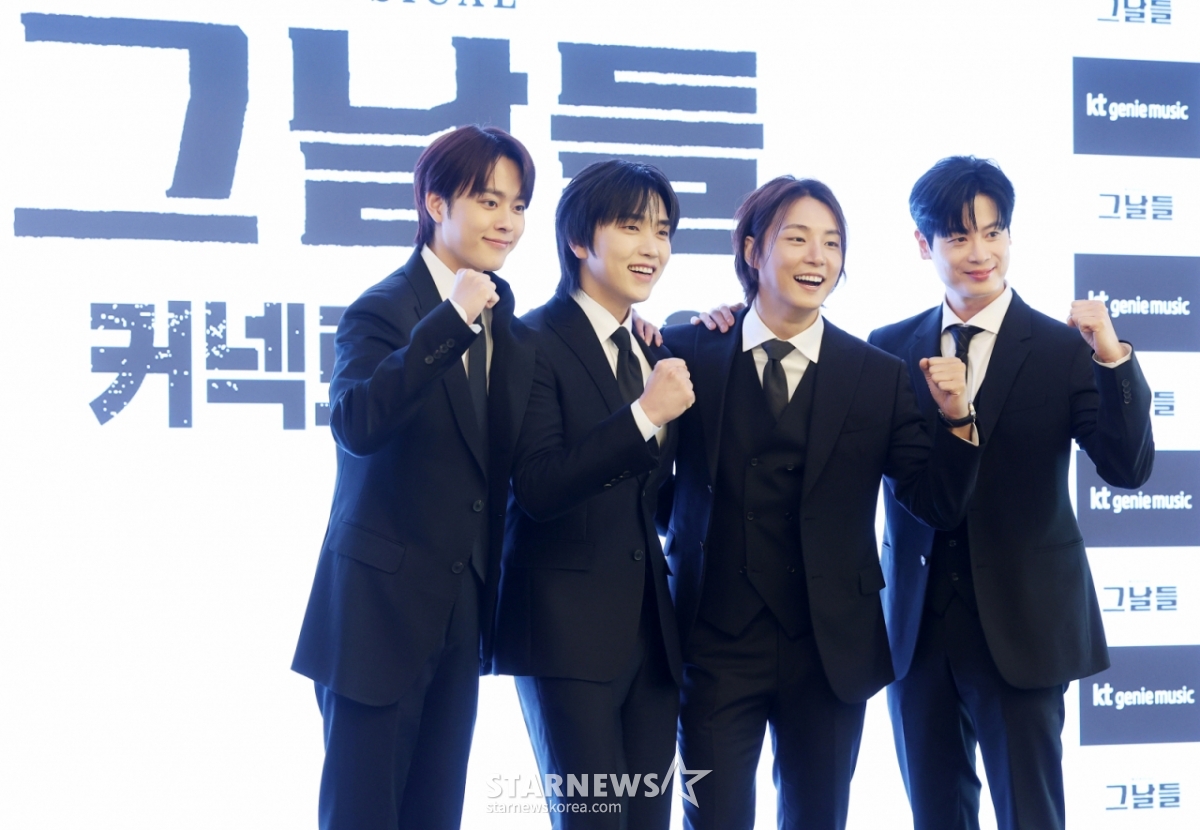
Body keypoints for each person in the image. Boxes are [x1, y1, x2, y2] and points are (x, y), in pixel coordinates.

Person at [665, 176, 983, 830]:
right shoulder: (690, 348)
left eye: (832, 243)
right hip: (714, 642)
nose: (818, 257)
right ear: (753, 250)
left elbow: (935, 503)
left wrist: (957, 420)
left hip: (830, 649)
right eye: (798, 239)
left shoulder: (877, 374)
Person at [868, 156, 1154, 830]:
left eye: (994, 233)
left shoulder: (1063, 350)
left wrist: (1113, 357)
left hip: (1023, 628)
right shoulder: (887, 350)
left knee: (1032, 814)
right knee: (936, 815)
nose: (980, 253)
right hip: (918, 630)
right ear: (923, 244)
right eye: (960, 237)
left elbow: (1127, 466)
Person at [290, 125, 538, 830]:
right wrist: (451, 317)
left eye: (518, 206)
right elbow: (358, 423)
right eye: (489, 201)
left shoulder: (505, 315)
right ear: (435, 202)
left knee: (437, 815)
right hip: (375, 618)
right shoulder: (385, 308)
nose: (507, 222)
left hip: (461, 616)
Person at [493, 160, 693, 828]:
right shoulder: (530, 341)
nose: (652, 248)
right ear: (580, 240)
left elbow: (655, 501)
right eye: (631, 227)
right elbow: (539, 485)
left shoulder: (649, 350)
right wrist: (644, 416)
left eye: (662, 231)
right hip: (565, 633)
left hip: (650, 636)